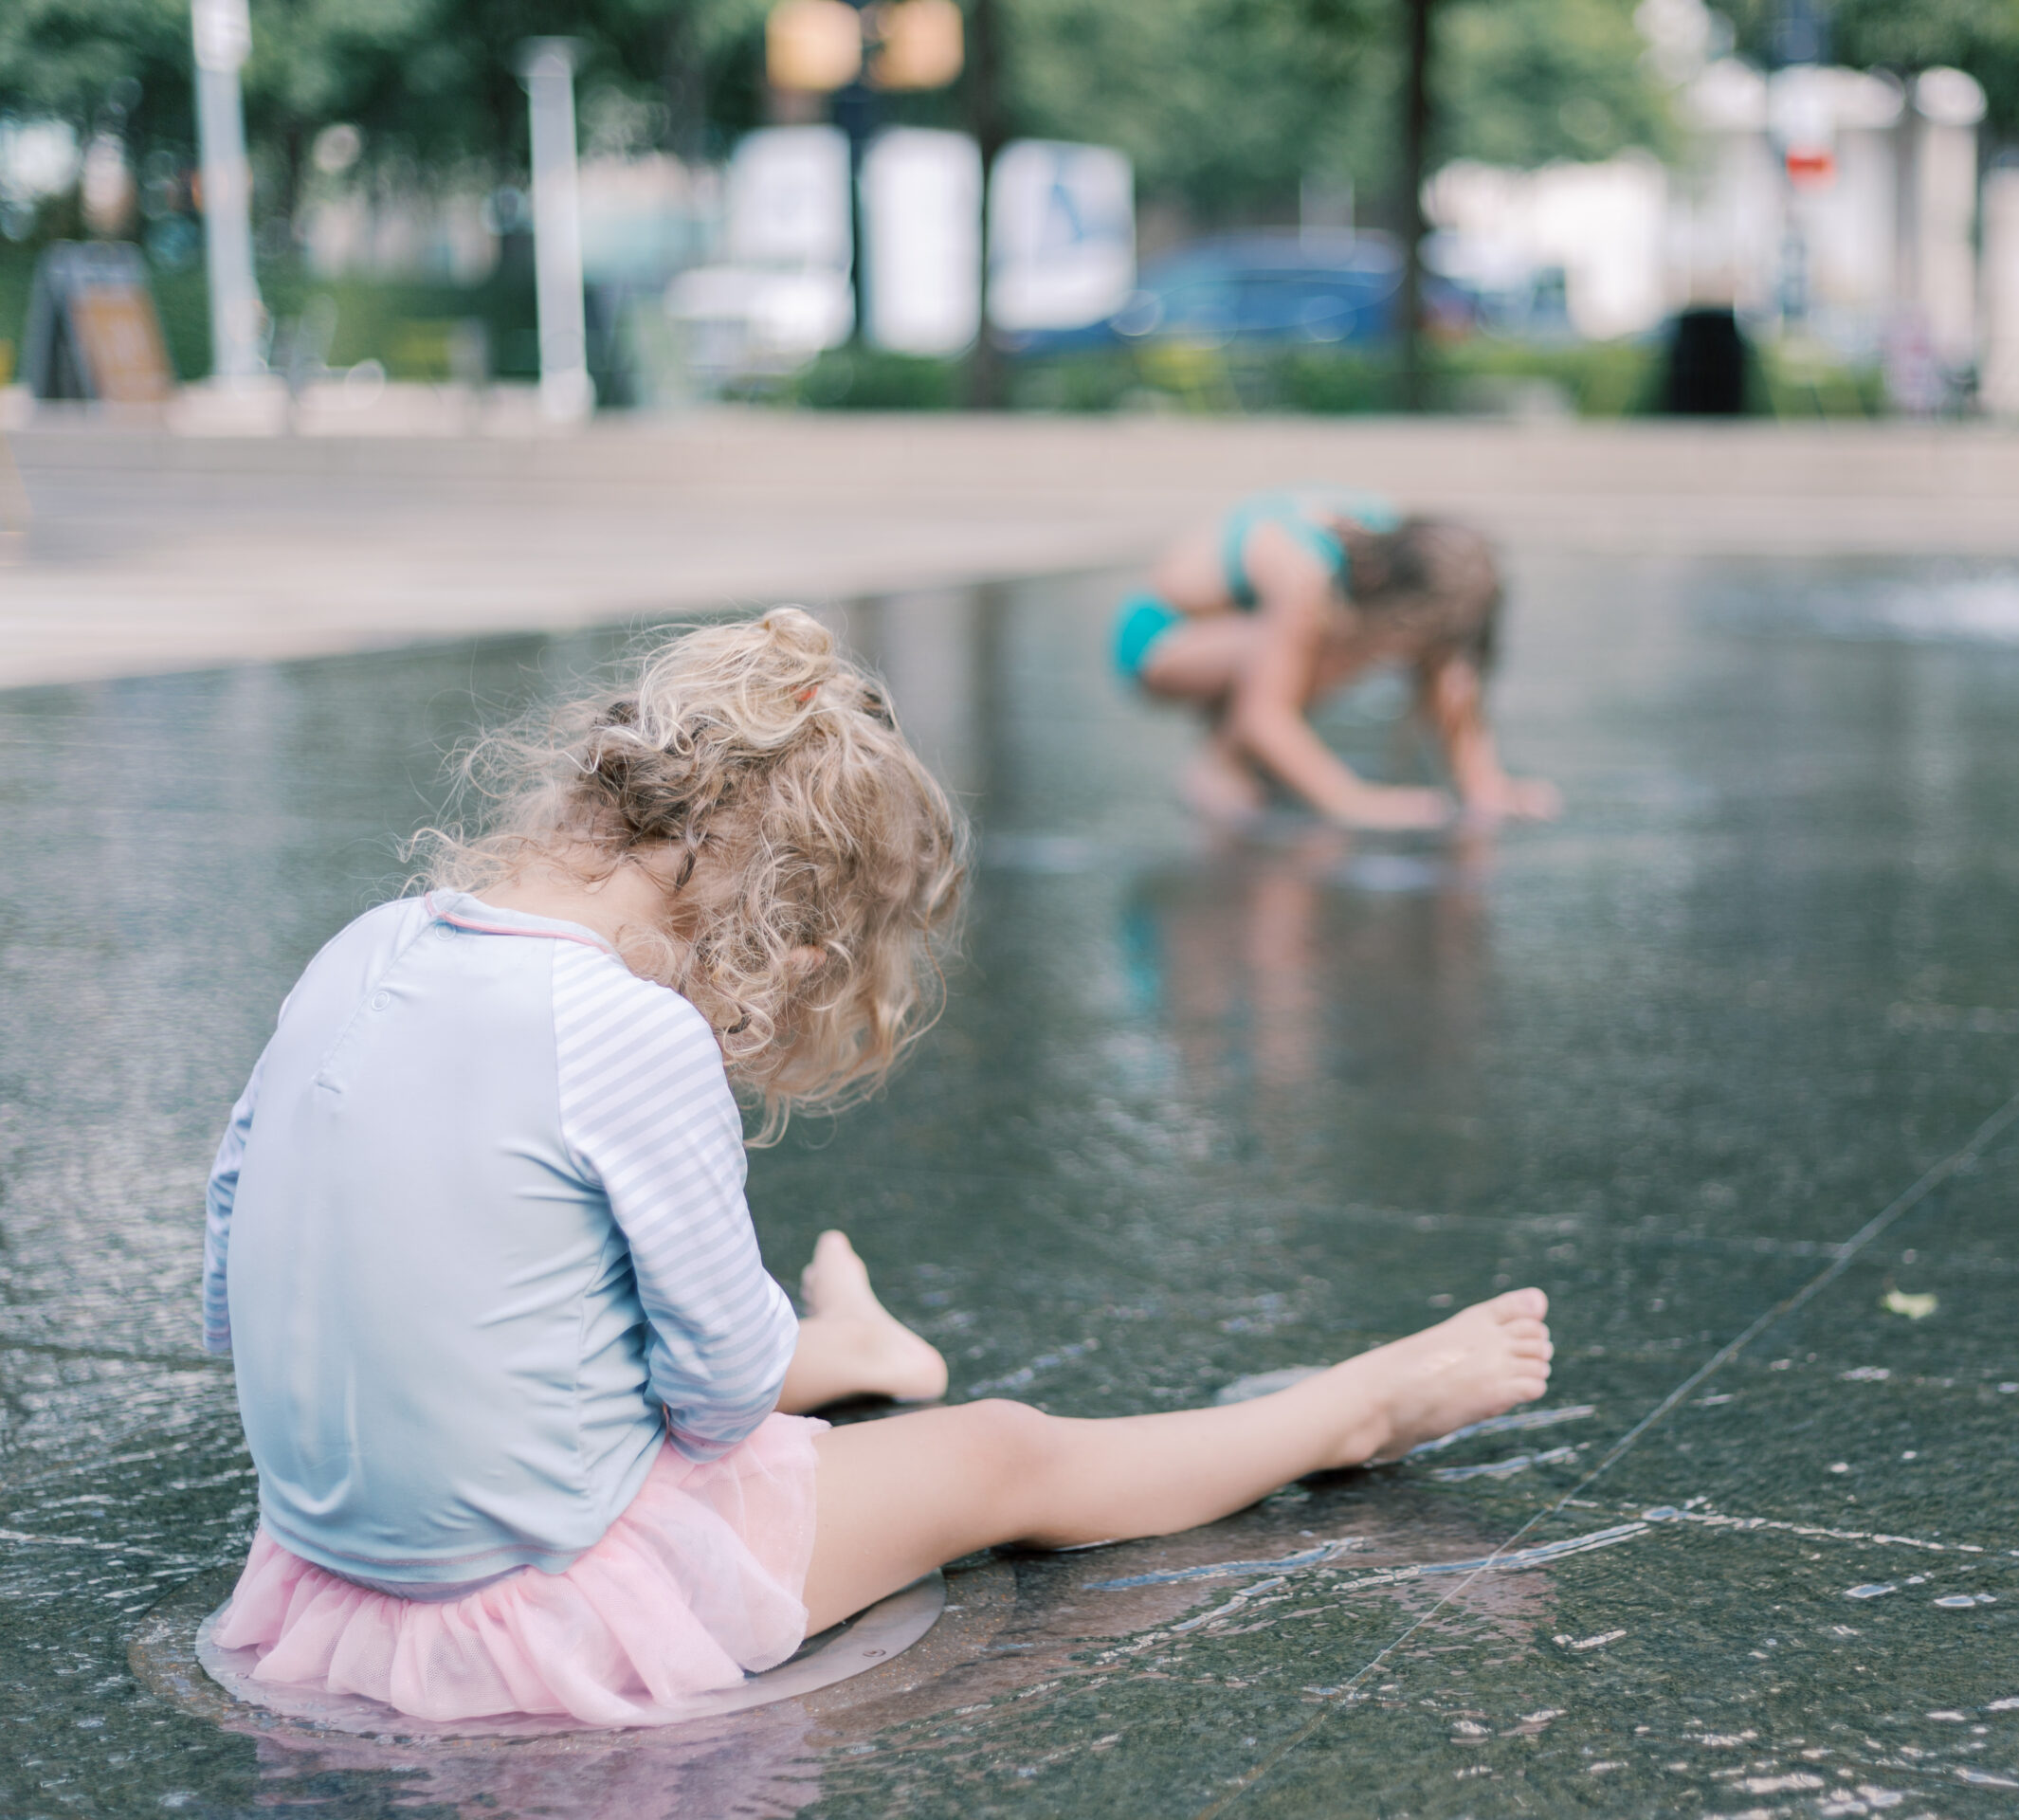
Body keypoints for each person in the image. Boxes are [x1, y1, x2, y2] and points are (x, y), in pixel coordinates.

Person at [201, 607, 1555, 1727]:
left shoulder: (365, 945)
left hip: (322, 1578)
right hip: (541, 1604)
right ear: (782, 916)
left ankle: (850, 1350)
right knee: (1003, 1458)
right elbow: (722, 1403)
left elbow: (226, 1289)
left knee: (583, 1312)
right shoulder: (627, 1029)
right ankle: (1350, 1411)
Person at [1113, 487, 1562, 829]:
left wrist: (1484, 786)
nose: (1413, 652)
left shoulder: (1411, 563)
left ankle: (1244, 762)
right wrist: (1353, 800)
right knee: (1314, 641)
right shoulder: (1304, 575)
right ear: (1384, 580)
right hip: (1157, 641)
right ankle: (1217, 770)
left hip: (1238, 633)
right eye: (1418, 630)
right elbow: (1266, 714)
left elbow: (1451, 675)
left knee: (1333, 640)